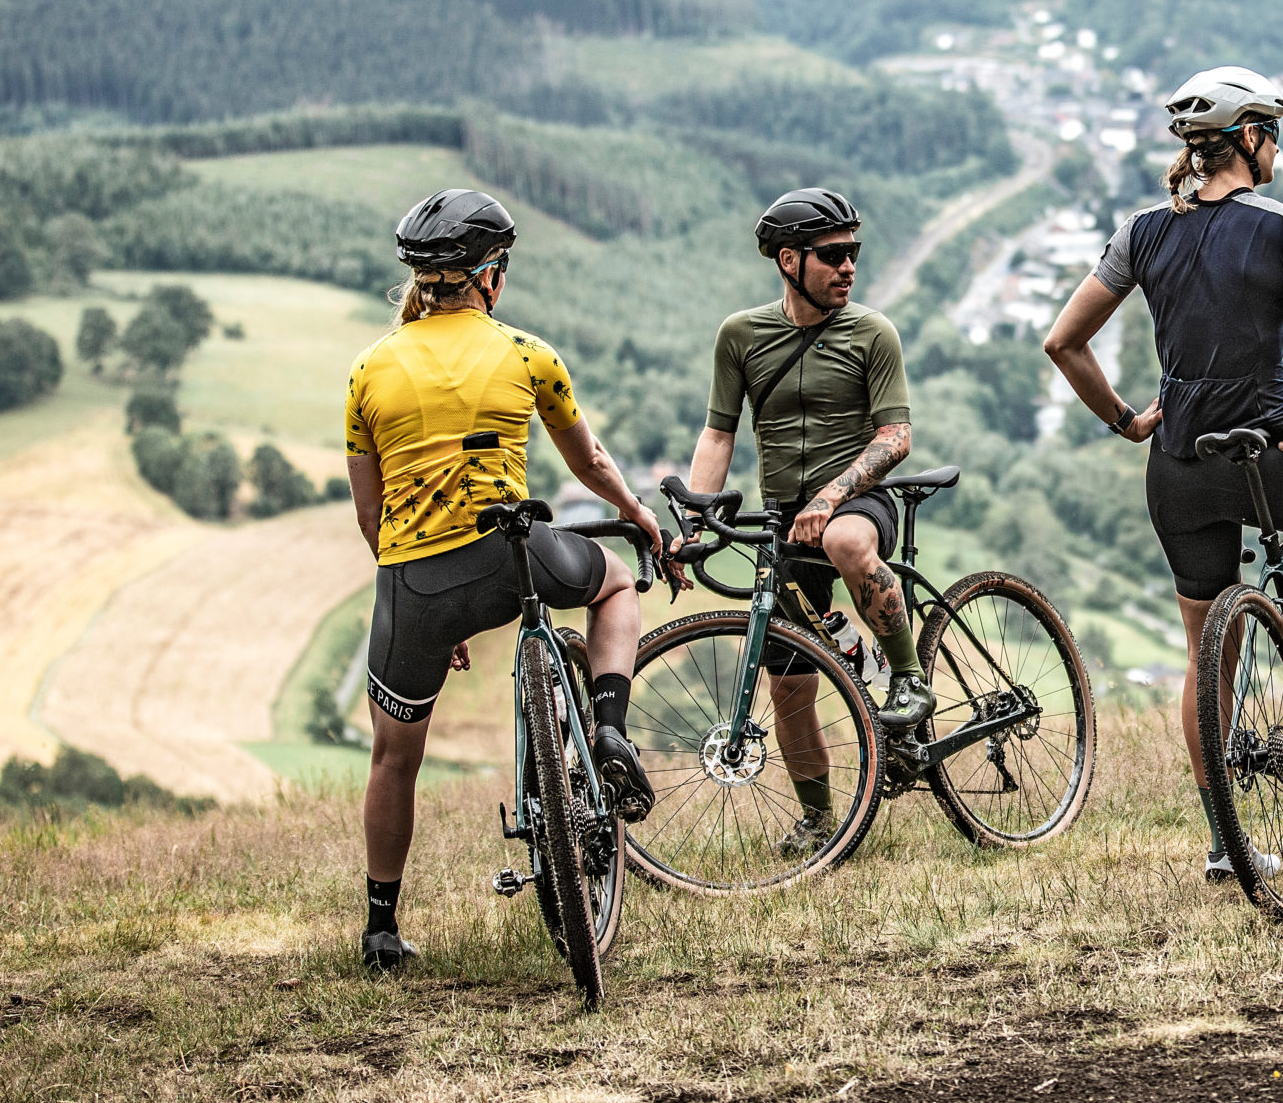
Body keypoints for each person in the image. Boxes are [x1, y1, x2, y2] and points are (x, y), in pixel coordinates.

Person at [1042, 66, 1283, 884]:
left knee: (1205, 658)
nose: (1278, 146)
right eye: (1272, 131)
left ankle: (1226, 838)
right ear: (1248, 139)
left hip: (1178, 470)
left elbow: (1063, 343)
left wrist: (1125, 419)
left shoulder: (1143, 231)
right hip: (1266, 463)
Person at [343, 189, 666, 971]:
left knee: (394, 756)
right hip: (511, 560)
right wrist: (638, 513)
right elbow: (588, 463)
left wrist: (429, 610)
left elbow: (371, 513)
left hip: (412, 579)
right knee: (615, 583)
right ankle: (610, 727)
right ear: (491, 274)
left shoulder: (368, 371)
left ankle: (381, 928)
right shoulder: (527, 354)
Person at [685, 188, 930, 857]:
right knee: (788, 681)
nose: (849, 266)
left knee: (846, 537)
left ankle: (908, 679)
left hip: (857, 497)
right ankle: (821, 819)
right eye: (833, 255)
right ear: (789, 260)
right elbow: (717, 435)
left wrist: (833, 493)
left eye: (853, 252)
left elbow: (896, 435)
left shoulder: (872, 332)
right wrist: (692, 522)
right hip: (782, 520)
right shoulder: (741, 335)